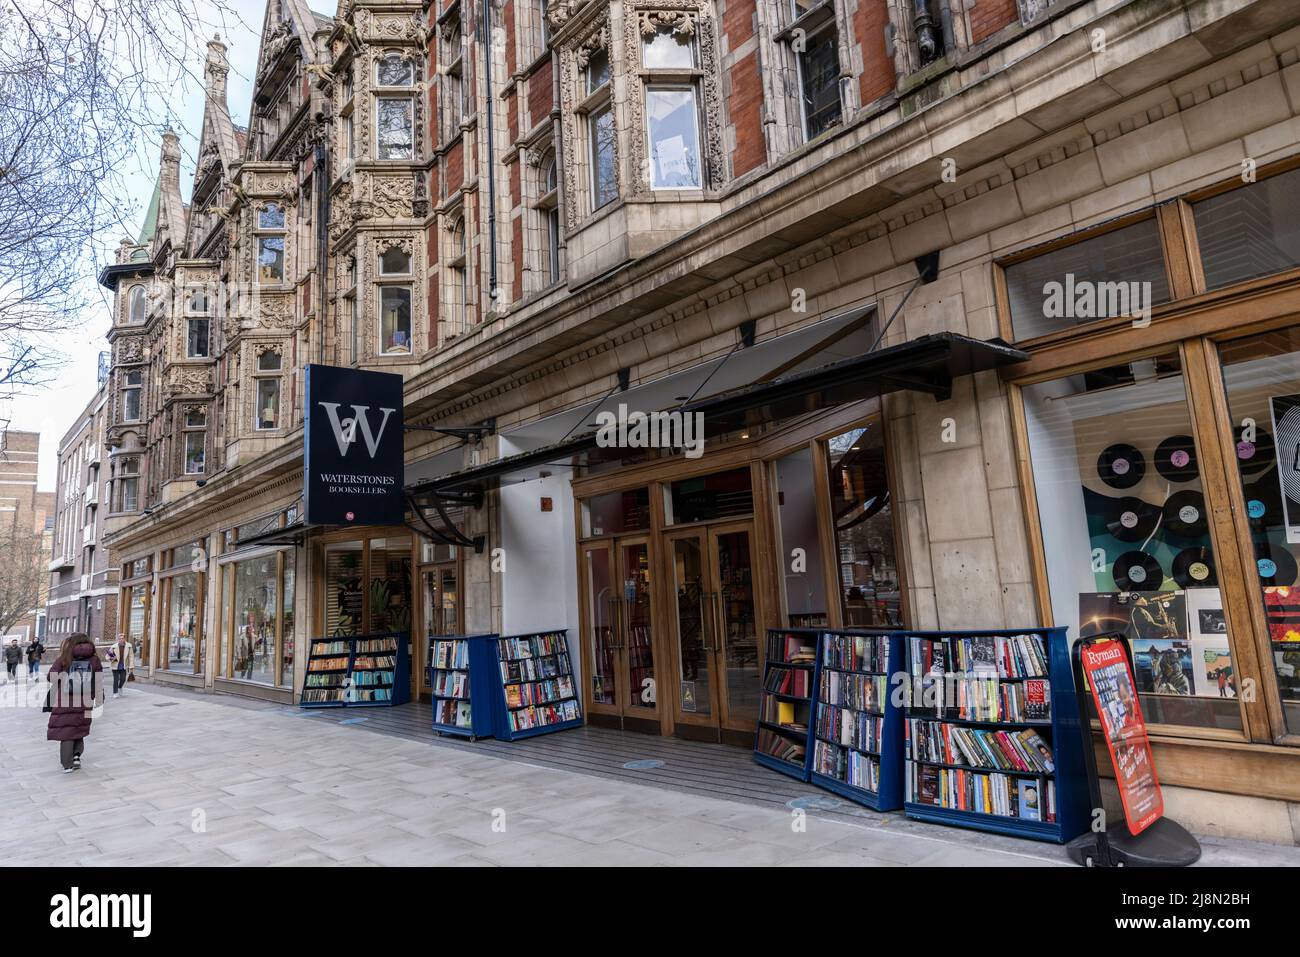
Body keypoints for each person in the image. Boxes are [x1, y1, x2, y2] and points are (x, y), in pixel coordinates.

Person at [46, 634, 103, 773]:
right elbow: (98, 681)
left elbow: (51, 676)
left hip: (65, 699)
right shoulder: (94, 659)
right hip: (86, 699)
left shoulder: (65, 657)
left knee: (66, 731)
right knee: (79, 727)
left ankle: (67, 764)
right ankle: (77, 755)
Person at [106, 632, 133, 697]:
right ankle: (115, 693)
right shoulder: (114, 646)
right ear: (118, 639)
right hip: (115, 665)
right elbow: (107, 656)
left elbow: (131, 656)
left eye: (122, 638)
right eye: (120, 639)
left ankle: (120, 687)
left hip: (123, 665)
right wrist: (111, 658)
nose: (121, 640)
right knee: (116, 679)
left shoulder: (129, 646)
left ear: (125, 639)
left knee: (123, 679)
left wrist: (131, 666)